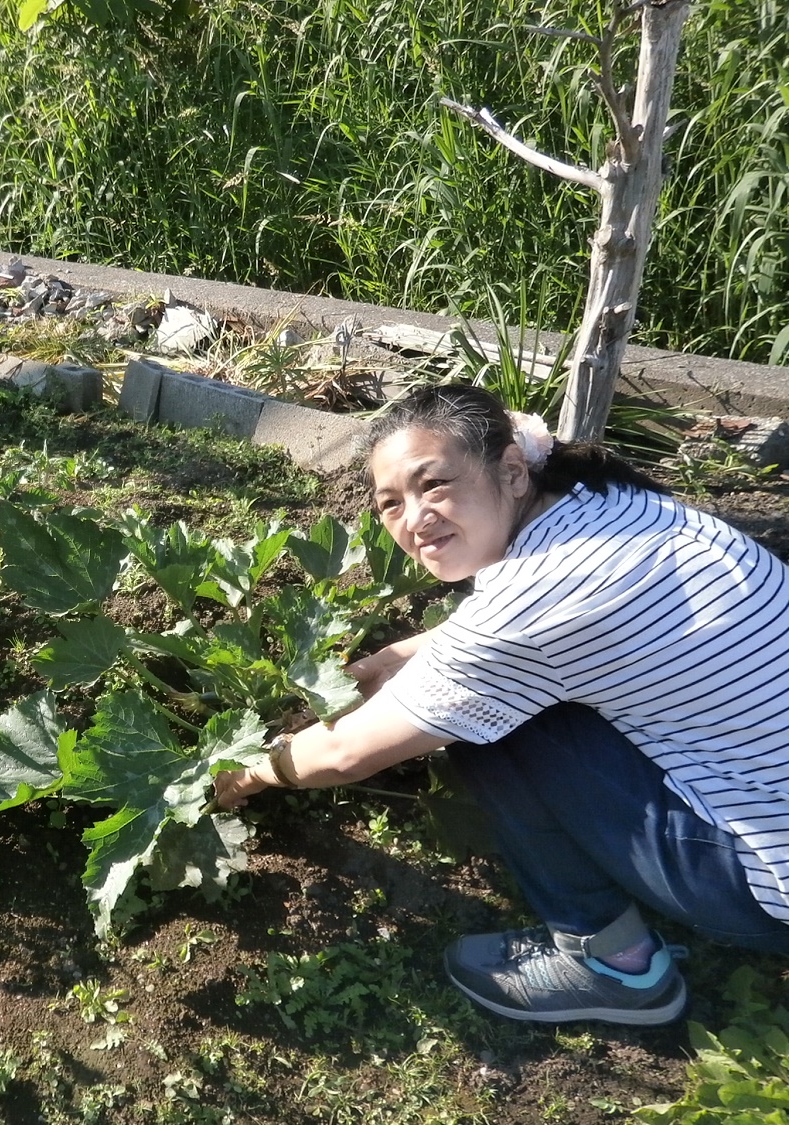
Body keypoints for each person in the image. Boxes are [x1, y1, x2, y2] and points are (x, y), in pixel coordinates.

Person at [214, 382, 789, 1026]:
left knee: (489, 727)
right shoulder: (606, 503)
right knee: (492, 695)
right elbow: (536, 630)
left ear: (513, 471)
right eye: (390, 504)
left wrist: (252, 770)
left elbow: (348, 752)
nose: (415, 519)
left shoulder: (533, 610)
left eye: (434, 485)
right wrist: (395, 657)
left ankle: (613, 965)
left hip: (761, 883)